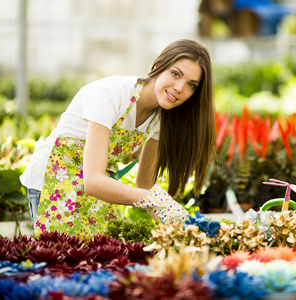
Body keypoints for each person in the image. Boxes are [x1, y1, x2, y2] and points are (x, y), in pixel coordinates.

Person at [20, 39, 216, 238]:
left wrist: (176, 231)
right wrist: (158, 200)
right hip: (54, 182)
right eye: (175, 74)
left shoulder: (162, 117)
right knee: (60, 262)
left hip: (97, 190)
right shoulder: (110, 95)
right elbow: (94, 181)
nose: (180, 88)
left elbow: (145, 185)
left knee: (96, 262)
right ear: (157, 67)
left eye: (191, 85)